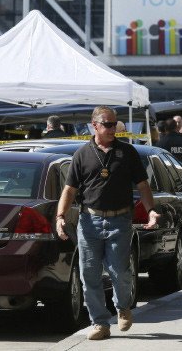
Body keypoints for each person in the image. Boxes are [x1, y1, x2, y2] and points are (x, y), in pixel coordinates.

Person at [55, 106, 161, 341]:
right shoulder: (82, 154)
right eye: (108, 124)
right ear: (94, 125)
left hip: (120, 221)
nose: (113, 129)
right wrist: (60, 217)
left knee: (119, 272)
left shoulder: (127, 152)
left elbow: (143, 186)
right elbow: (69, 190)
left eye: (115, 124)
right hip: (89, 222)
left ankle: (123, 307)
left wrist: (151, 210)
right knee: (89, 275)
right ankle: (100, 323)